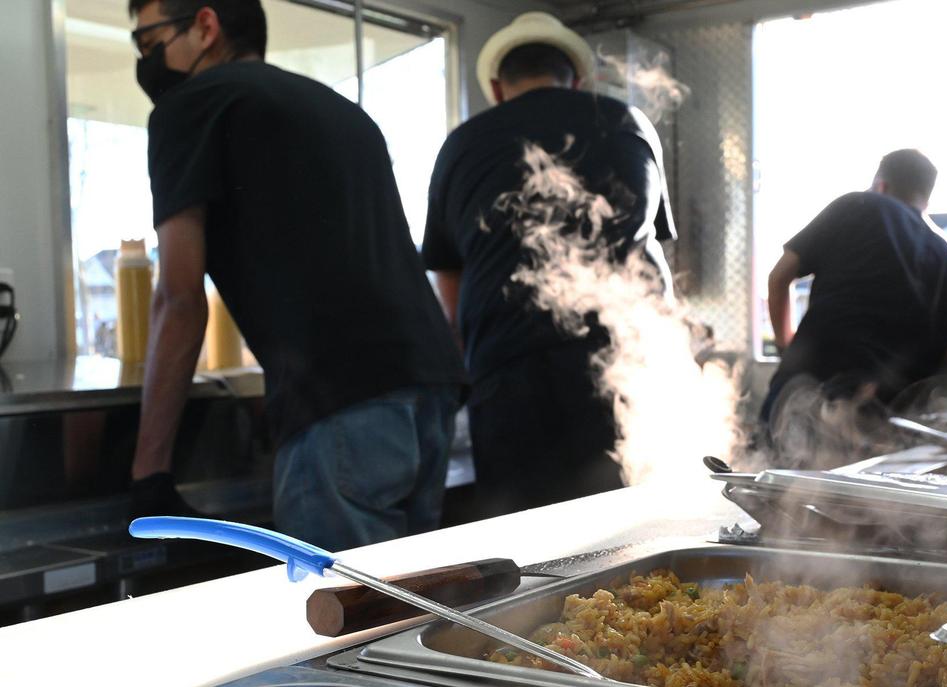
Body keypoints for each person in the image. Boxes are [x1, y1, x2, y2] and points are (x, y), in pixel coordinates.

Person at [126, 0, 467, 551]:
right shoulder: (339, 110)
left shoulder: (189, 105)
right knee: (412, 619)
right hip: (431, 390)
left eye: (148, 42)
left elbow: (180, 298)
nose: (144, 60)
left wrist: (150, 476)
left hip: (340, 406)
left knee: (346, 629)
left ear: (205, 25)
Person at [421, 12, 676, 518]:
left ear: (496, 86)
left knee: (527, 545)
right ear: (576, 79)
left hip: (507, 376)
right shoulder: (627, 122)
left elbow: (448, 277)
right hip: (622, 365)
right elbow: (652, 254)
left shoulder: (462, 145)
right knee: (632, 530)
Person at [762, 149, 947, 438]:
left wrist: (786, 346)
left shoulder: (856, 205)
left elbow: (779, 276)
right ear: (927, 197)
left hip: (806, 394)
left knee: (772, 471)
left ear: (881, 184)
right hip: (885, 419)